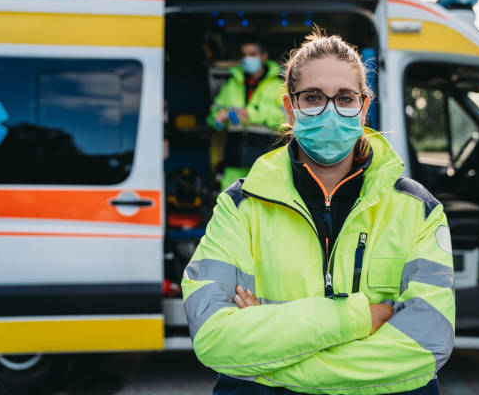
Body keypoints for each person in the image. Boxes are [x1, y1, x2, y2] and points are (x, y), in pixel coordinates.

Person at [183, 29, 455, 395]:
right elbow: (214, 338)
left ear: (364, 107)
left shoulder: (419, 210)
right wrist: (359, 318)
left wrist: (266, 357)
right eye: (312, 97)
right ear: (290, 108)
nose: (329, 110)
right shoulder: (239, 207)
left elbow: (427, 346)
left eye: (344, 98)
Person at [206, 40, 286, 189]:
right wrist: (218, 117)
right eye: (244, 55)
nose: (247, 59)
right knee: (230, 203)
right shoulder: (232, 84)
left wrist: (252, 113)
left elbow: (286, 119)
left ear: (264, 56)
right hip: (233, 157)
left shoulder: (278, 85)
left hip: (265, 157)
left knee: (262, 201)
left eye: (252, 54)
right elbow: (212, 118)